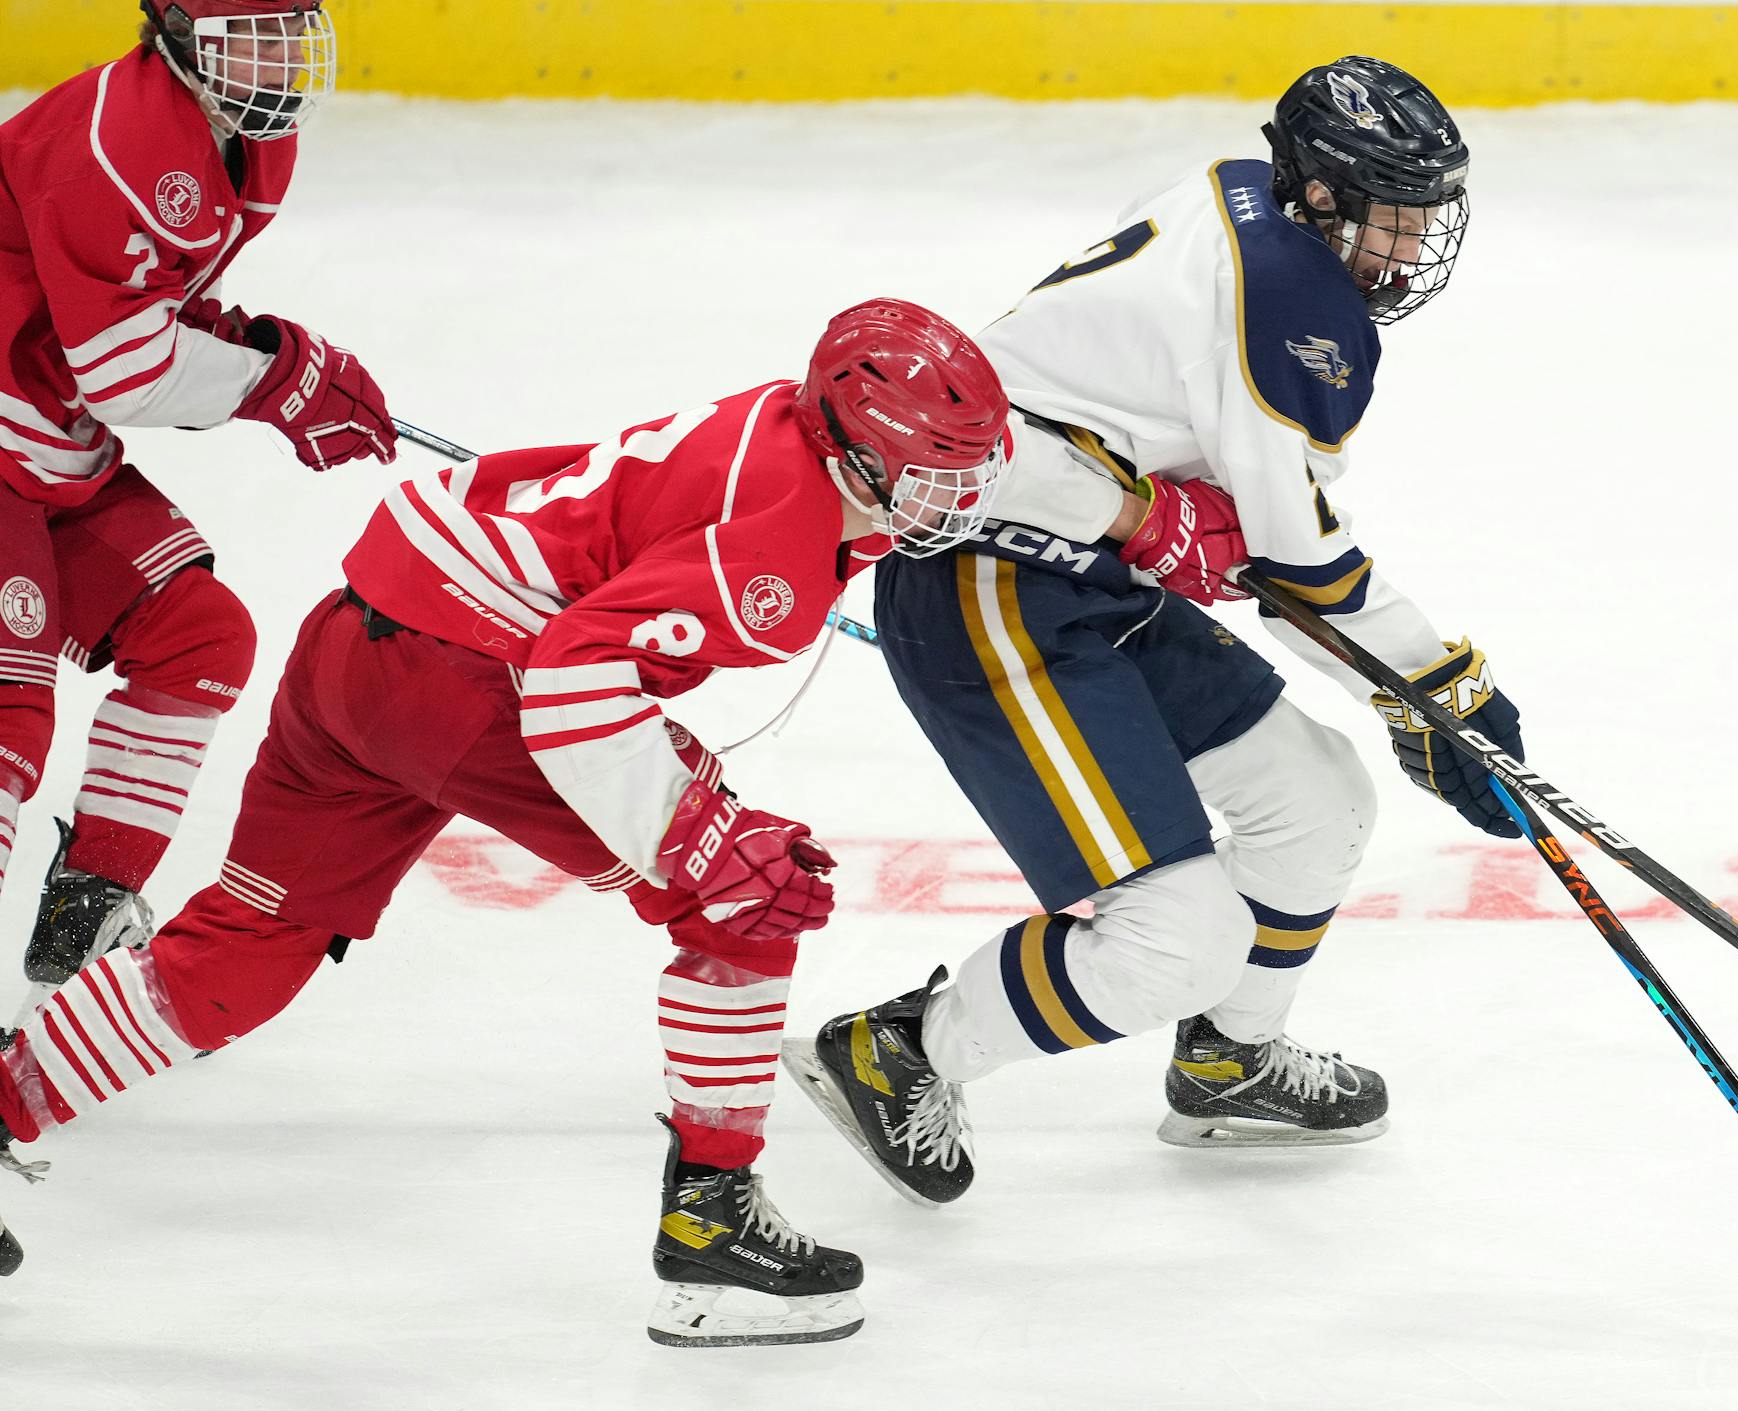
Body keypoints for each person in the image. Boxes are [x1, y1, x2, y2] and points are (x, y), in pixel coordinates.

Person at [0, 299, 1018, 1344]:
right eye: (941, 466)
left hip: (358, 642)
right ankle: (712, 1231)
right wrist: (707, 839)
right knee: (750, 900)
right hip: (465, 684)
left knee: (252, 944)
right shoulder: (773, 553)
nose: (963, 493)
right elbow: (571, 692)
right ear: (861, 452)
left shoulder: (787, 428)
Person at [784, 57, 1530, 1207]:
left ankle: (1230, 1063)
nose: (1413, 245)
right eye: (1394, 215)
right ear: (1322, 196)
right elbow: (1300, 565)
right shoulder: (1294, 304)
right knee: (1174, 940)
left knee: (1317, 799)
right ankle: (899, 1053)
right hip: (988, 580)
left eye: (1427, 214)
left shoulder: (1246, 187)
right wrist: (1439, 691)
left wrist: (1154, 517)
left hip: (1082, 558)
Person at [0, 1, 394, 1021]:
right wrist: (273, 386)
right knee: (8, 723)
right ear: (174, 36)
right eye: (247, 37)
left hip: (42, 439)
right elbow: (126, 371)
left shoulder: (245, 146)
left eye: (290, 28)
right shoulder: (122, 144)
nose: (278, 61)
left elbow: (138, 307)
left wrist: (274, 354)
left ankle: (87, 913)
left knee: (197, 635)